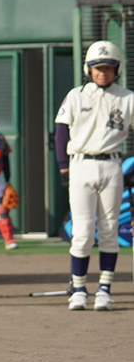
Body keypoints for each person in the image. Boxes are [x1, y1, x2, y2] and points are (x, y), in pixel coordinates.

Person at [55, 40, 134, 311]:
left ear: (117, 69)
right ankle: (78, 289)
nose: (103, 72)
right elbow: (61, 131)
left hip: (112, 165)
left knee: (110, 229)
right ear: (89, 69)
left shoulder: (127, 98)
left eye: (109, 68)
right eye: (98, 68)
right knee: (83, 230)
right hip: (81, 164)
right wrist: (63, 167)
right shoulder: (76, 95)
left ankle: (104, 289)